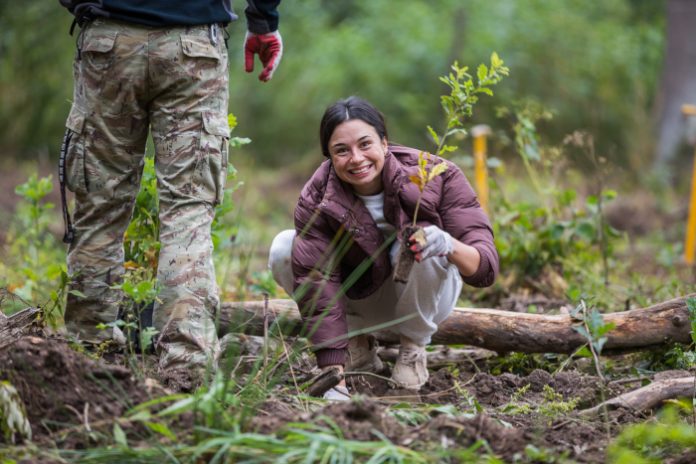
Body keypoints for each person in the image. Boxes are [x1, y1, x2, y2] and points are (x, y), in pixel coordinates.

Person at [58, 0, 283, 380]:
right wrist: (263, 20)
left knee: (100, 205)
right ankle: (187, 363)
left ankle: (85, 352)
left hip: (108, 42)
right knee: (188, 211)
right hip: (192, 46)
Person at [269, 96, 498, 399]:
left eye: (365, 144)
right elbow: (317, 279)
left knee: (420, 240)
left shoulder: (438, 175)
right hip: (361, 296)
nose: (356, 158)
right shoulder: (318, 195)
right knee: (284, 247)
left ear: (385, 143)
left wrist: (447, 243)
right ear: (329, 158)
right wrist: (332, 379)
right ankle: (356, 343)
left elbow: (485, 269)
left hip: (426, 297)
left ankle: (412, 350)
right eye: (342, 151)